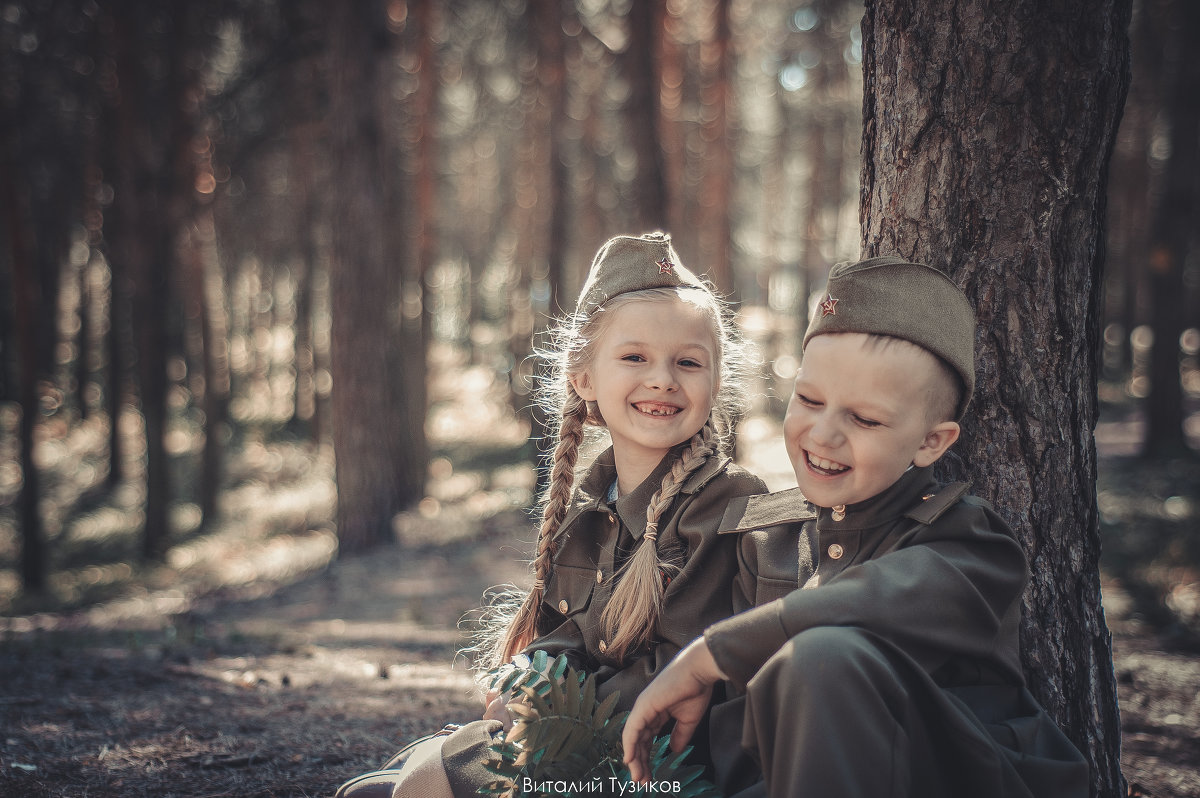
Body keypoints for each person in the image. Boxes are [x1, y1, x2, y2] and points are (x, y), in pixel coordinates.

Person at [622, 256, 1091, 798]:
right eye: (809, 400)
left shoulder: (970, 544)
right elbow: (741, 739)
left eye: (864, 419)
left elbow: (874, 600)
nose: (823, 435)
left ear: (930, 442)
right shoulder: (766, 540)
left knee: (820, 659)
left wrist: (715, 652)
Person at [335, 232, 768, 798]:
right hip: (581, 739)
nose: (663, 378)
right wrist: (529, 678)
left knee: (422, 782)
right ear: (584, 378)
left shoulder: (726, 503)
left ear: (715, 384)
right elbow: (570, 635)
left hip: (655, 767)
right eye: (635, 357)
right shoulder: (591, 511)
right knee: (393, 779)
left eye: (688, 362)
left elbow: (678, 675)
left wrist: (544, 715)